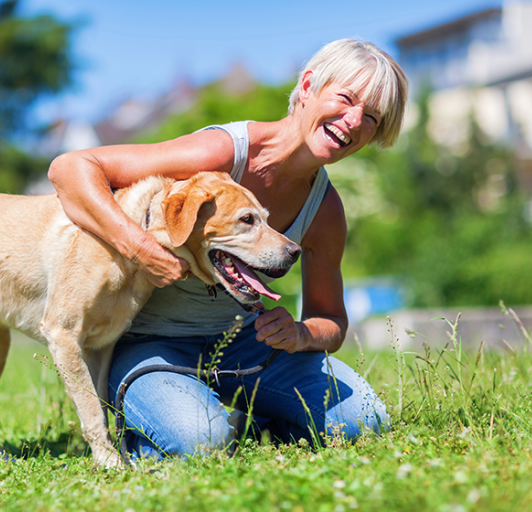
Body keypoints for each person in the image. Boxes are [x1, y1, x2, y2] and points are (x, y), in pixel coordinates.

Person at [48, 38, 409, 459]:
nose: (352, 121)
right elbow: (70, 168)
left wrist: (300, 333)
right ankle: (156, 422)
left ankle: (246, 418)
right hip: (152, 344)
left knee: (365, 418)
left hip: (247, 348)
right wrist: (140, 249)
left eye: (370, 118)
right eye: (346, 99)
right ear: (308, 86)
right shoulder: (220, 153)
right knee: (201, 440)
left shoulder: (326, 210)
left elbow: (331, 321)